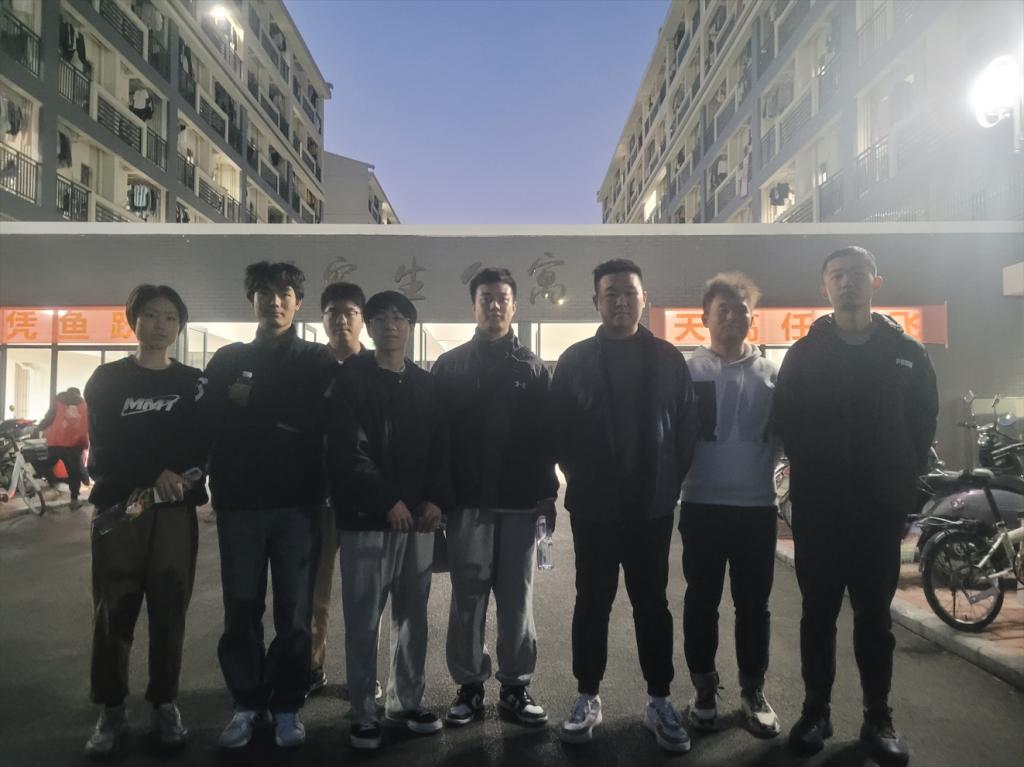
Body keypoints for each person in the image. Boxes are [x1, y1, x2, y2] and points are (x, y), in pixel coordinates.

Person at [774, 246, 937, 765]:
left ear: (876, 282)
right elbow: (787, 421)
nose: (848, 283)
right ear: (824, 286)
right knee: (817, 615)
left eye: (858, 274)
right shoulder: (804, 354)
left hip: (878, 512)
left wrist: (898, 482)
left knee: (874, 619)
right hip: (820, 511)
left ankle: (877, 716)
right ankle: (815, 711)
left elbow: (922, 426)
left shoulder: (907, 352)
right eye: (837, 275)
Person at [551, 258, 697, 752]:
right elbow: (558, 431)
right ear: (596, 301)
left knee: (652, 604)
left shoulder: (668, 359)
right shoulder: (575, 360)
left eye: (629, 293)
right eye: (610, 293)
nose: (620, 301)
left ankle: (659, 699)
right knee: (592, 602)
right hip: (595, 508)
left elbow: (686, 430)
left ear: (644, 299)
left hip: (651, 508)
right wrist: (582, 477)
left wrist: (668, 484)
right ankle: (587, 695)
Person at [202, 262, 337, 749]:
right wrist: (280, 414)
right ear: (252, 300)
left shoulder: (317, 359)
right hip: (240, 503)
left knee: (295, 613)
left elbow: (316, 418)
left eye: (284, 293)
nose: (274, 301)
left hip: (298, 505)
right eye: (264, 292)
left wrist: (253, 400)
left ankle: (287, 705)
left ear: (298, 302)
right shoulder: (227, 358)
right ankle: (247, 702)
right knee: (241, 608)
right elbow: (214, 415)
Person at [81, 285, 207, 757]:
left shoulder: (194, 383)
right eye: (151, 315)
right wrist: (153, 473)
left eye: (170, 317)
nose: (160, 324)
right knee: (113, 611)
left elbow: (203, 443)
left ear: (180, 326)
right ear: (133, 320)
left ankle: (164, 703)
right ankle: (111, 708)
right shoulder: (107, 379)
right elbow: (104, 445)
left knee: (170, 609)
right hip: (120, 512)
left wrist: (179, 477)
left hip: (173, 512)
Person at [432, 267, 557, 728]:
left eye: (502, 298)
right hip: (467, 503)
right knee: (467, 597)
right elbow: (437, 439)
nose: (494, 305)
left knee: (517, 598)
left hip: (521, 505)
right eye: (486, 298)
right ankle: (468, 686)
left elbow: (547, 440)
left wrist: (547, 496)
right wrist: (440, 498)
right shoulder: (450, 367)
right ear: (474, 306)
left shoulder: (533, 368)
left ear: (514, 306)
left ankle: (515, 686)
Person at [326, 290, 452, 751]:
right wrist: (386, 500)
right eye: (380, 318)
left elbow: (442, 447)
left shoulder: (426, 384)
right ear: (370, 326)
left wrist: (436, 499)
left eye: (399, 318)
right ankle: (363, 711)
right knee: (364, 619)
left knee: (413, 616)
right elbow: (347, 449)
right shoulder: (350, 379)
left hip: (417, 522)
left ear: (410, 327)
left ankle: (406, 701)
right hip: (367, 519)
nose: (390, 325)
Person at [678, 273, 781, 737]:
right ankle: (703, 688)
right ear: (704, 317)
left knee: (754, 605)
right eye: (723, 309)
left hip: (757, 507)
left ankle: (752, 689)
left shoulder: (772, 373)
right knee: (701, 601)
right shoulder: (687, 371)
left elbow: (786, 435)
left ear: (752, 317)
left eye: (741, 309)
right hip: (701, 503)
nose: (733, 317)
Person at [309, 281, 380, 699]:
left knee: (365, 596)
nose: (341, 320)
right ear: (322, 319)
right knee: (312, 594)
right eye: (333, 312)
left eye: (350, 312)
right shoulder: (308, 367)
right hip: (314, 499)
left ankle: (364, 676)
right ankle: (310, 667)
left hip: (362, 500)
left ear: (362, 320)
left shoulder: (377, 367)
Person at [38, 387, 89, 509]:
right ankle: (74, 501)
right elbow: (89, 422)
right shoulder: (84, 405)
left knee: (47, 463)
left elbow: (50, 417)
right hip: (74, 444)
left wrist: (40, 426)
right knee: (74, 473)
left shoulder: (59, 399)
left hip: (56, 442)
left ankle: (51, 483)